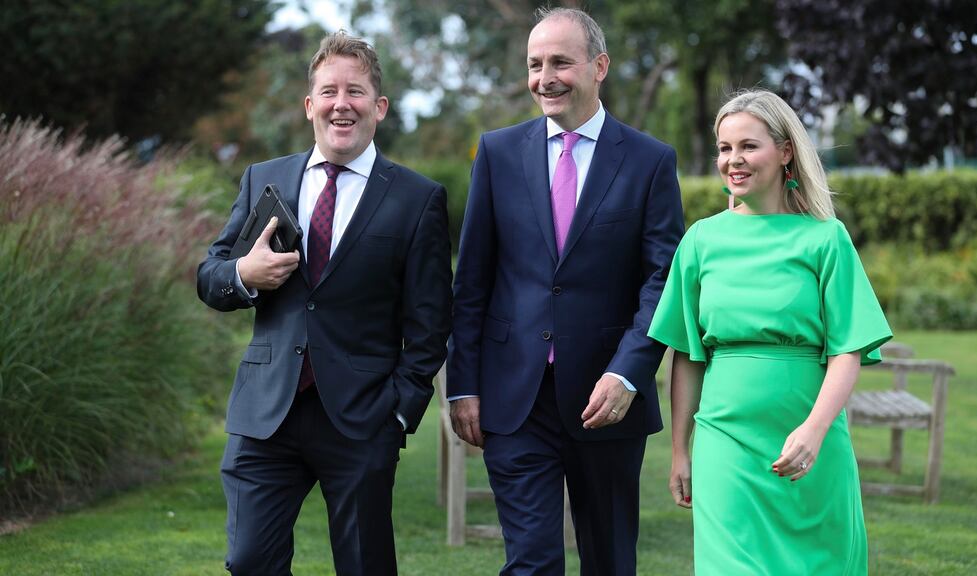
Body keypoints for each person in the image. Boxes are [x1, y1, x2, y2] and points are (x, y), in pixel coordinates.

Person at [196, 31, 452, 576]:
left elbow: (430, 324)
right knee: (249, 562)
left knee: (365, 566)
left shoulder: (416, 198)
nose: (343, 104)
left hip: (361, 418)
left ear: (378, 107)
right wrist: (244, 273)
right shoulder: (264, 179)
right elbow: (210, 277)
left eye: (356, 92)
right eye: (329, 91)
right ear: (310, 104)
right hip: (265, 414)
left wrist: (400, 411)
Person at [447, 7, 685, 575]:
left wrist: (628, 372)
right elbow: (472, 279)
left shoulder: (650, 161)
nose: (544, 77)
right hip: (515, 398)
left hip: (607, 400)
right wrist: (462, 386)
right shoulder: (498, 154)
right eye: (534, 64)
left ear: (599, 66)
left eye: (560, 62)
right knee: (530, 562)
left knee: (608, 562)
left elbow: (663, 281)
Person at [648, 89, 892, 574]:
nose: (732, 160)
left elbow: (848, 351)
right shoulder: (700, 241)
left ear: (785, 152)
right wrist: (680, 450)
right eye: (724, 148)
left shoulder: (826, 238)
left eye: (747, 146)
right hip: (725, 443)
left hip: (810, 441)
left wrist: (814, 431)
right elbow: (690, 355)